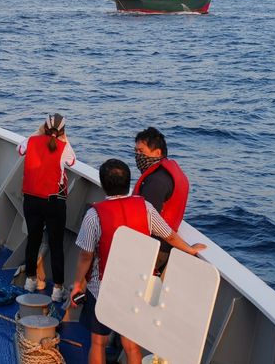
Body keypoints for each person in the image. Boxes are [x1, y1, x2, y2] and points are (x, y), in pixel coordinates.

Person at [70, 159, 206, 364]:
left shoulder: (94, 215)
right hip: (137, 287)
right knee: (131, 345)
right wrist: (190, 249)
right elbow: (168, 236)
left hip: (102, 288)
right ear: (129, 182)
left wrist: (78, 284)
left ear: (103, 184)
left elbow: (86, 256)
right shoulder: (146, 207)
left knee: (98, 342)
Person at [19, 113, 77, 301]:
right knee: (56, 244)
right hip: (53, 202)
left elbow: (20, 150)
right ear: (62, 131)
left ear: (43, 126)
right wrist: (63, 139)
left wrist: (38, 132)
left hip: (31, 199)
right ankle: (57, 289)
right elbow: (72, 162)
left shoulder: (31, 141)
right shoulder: (64, 147)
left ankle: (30, 280)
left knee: (33, 239)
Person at [131, 127, 189, 272]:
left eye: (141, 152)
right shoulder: (168, 173)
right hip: (163, 245)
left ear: (157, 153)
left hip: (154, 248)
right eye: (136, 151)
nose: (138, 156)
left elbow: (148, 221)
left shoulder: (156, 181)